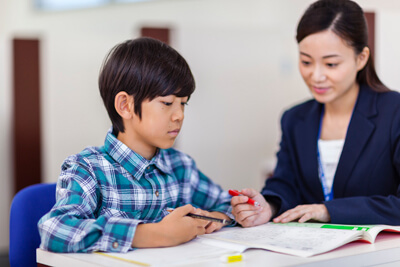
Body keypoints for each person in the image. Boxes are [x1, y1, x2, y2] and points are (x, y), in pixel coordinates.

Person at [38, 37, 232, 253]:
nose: (179, 115)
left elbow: (226, 203)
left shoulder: (180, 166)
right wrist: (153, 234)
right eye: (167, 103)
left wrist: (217, 217)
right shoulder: (88, 168)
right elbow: (54, 229)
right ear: (125, 105)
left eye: (183, 103)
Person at [231, 0, 400, 226]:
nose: (316, 76)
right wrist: (267, 206)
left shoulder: (394, 112)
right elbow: (285, 184)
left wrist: (328, 211)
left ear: (361, 58)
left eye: (330, 64)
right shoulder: (295, 119)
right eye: (306, 62)